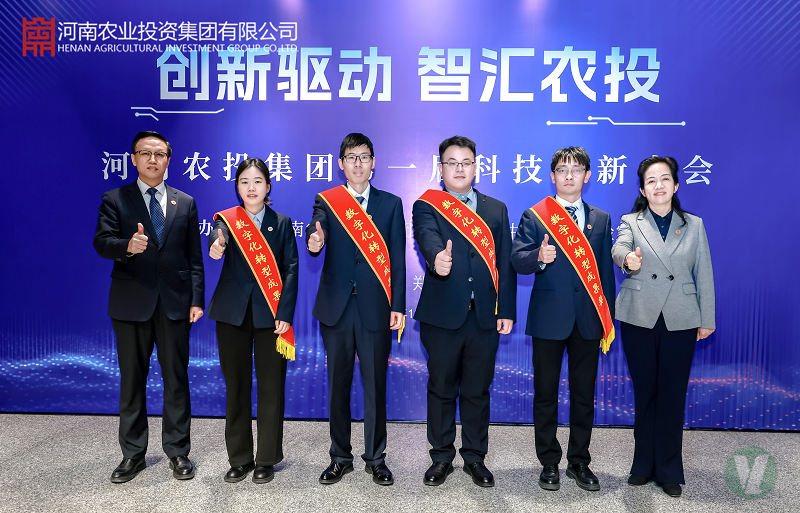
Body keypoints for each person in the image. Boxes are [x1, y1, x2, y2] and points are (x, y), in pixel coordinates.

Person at [94, 131, 204, 483]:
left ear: (168, 160)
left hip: (175, 303)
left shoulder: (185, 202)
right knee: (132, 380)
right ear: (134, 159)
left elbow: (194, 258)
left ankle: (178, 451)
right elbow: (101, 242)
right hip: (131, 304)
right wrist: (127, 246)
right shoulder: (115, 198)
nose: (153, 159)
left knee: (176, 380)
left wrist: (197, 299)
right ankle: (133, 454)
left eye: (159, 154)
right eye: (145, 153)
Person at [412, 135, 516, 488]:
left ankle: (474, 457)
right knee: (441, 388)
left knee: (477, 390)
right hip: (442, 315)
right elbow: (427, 236)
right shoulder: (427, 205)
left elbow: (505, 263)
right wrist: (436, 258)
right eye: (452, 162)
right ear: (440, 168)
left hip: (484, 316)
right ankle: (441, 457)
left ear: (475, 167)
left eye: (465, 162)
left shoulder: (495, 209)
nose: (459, 168)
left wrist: (506, 310)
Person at [510, 147, 615, 492]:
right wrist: (538, 257)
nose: (569, 175)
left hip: (588, 319)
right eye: (562, 169)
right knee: (546, 395)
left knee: (584, 395)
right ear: (552, 176)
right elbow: (517, 260)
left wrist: (607, 318)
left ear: (588, 175)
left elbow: (604, 274)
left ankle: (579, 461)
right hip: (549, 319)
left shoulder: (601, 219)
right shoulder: (535, 215)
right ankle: (549, 462)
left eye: (576, 169)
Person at [611, 156, 715, 498]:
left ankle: (669, 469)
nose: (659, 185)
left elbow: (704, 272)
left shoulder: (694, 225)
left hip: (681, 317)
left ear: (676, 185)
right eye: (651, 181)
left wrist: (707, 318)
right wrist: (628, 260)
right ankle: (642, 465)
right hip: (639, 315)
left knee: (672, 394)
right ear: (643, 189)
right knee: (646, 393)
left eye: (665, 179)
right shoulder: (631, 221)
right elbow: (619, 248)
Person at [306, 133, 406, 486]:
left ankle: (376, 458)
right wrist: (315, 240)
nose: (358, 163)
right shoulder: (328, 200)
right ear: (341, 163)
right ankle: (339, 457)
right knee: (338, 384)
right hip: (336, 308)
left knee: (375, 385)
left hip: (376, 307)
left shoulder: (391, 204)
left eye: (364, 157)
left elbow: (397, 259)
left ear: (373, 162)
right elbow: (315, 229)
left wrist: (398, 305)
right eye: (351, 157)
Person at [206, 158, 299, 484]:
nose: (251, 187)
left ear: (268, 186)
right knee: (237, 388)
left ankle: (266, 459)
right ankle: (240, 458)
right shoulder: (227, 220)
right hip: (231, 315)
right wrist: (216, 245)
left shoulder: (281, 222)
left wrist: (284, 314)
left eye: (257, 181)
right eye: (244, 181)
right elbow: (216, 237)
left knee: (271, 388)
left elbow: (291, 270)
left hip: (271, 317)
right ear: (237, 187)